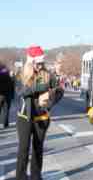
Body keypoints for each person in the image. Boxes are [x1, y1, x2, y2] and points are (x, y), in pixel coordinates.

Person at [16, 46, 63, 180]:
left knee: (38, 149)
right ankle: (21, 176)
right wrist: (43, 88)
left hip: (41, 117)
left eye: (41, 63)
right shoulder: (21, 74)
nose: (40, 66)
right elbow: (22, 91)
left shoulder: (48, 74)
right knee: (23, 150)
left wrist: (50, 101)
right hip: (24, 117)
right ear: (30, 62)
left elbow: (59, 91)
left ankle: (36, 176)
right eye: (37, 63)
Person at [0, 63, 14, 129]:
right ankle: (5, 124)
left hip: (1, 95)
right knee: (6, 111)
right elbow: (12, 87)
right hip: (7, 95)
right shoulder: (9, 77)